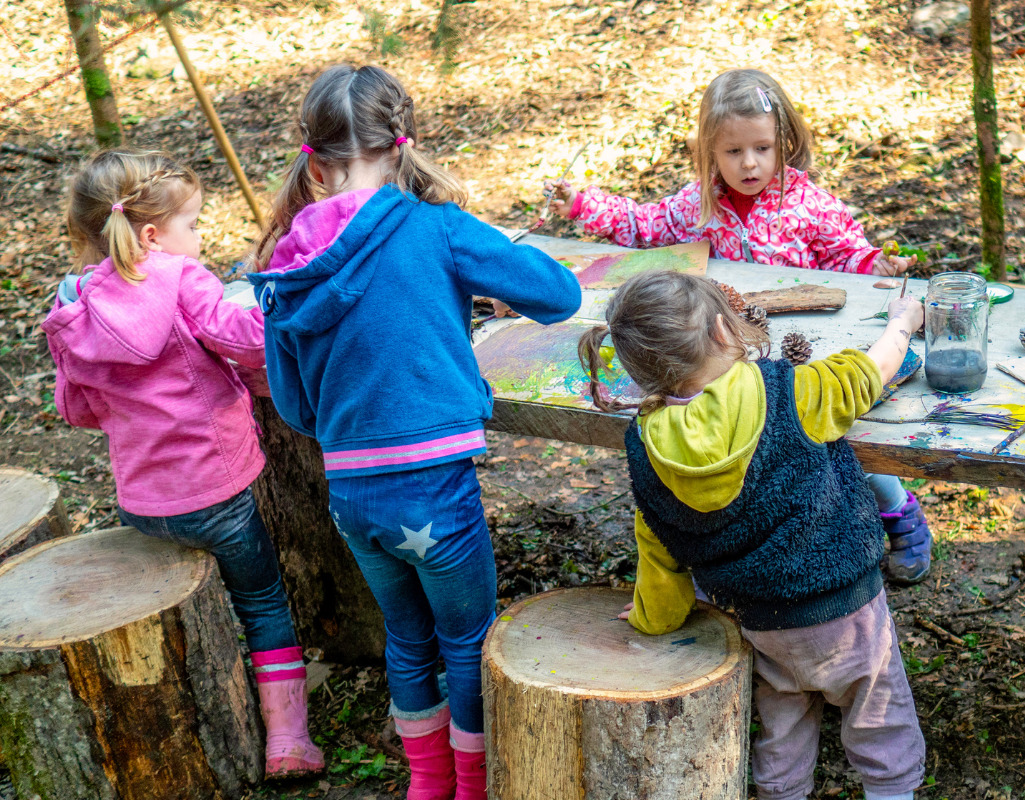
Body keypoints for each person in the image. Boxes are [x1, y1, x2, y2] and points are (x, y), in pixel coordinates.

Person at [248, 64, 582, 800]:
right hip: (435, 488)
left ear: (317, 157)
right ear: (401, 145)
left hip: (352, 495)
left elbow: (297, 409)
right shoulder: (437, 227)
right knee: (466, 638)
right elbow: (560, 295)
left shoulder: (286, 261)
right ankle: (473, 786)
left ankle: (426, 784)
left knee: (409, 639)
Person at [550, 68, 931, 584]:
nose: (749, 164)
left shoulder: (808, 203)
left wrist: (875, 266)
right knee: (758, 456)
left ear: (783, 143)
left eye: (762, 148)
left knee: (840, 430)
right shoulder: (697, 206)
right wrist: (581, 205)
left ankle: (895, 510)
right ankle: (754, 535)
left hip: (803, 354)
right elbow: (642, 226)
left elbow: (849, 255)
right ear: (710, 151)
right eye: (733, 152)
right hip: (726, 360)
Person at [579, 270, 927, 800]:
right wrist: (902, 324)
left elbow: (660, 552)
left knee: (782, 721)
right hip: (847, 609)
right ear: (724, 330)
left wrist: (654, 617)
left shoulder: (645, 447)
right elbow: (867, 373)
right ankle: (893, 791)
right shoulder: (791, 390)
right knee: (879, 717)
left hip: (758, 620)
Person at [43, 150, 324, 779]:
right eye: (192, 224)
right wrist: (280, 306)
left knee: (212, 597)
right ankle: (288, 741)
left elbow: (78, 409)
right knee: (264, 603)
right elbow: (246, 339)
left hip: (143, 503)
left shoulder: (74, 304)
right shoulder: (180, 278)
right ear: (151, 234)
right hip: (218, 491)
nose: (198, 238)